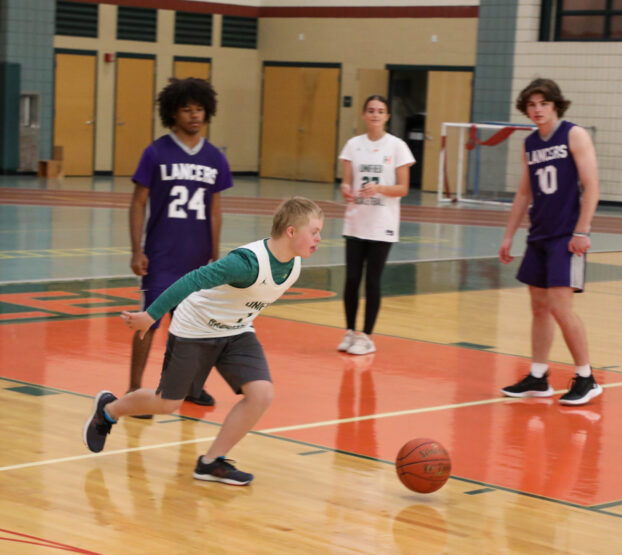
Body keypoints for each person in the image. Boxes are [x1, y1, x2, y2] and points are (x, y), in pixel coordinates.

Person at [84, 197, 324, 486]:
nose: (319, 239)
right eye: (315, 231)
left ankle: (211, 462)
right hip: (195, 329)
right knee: (167, 404)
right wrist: (151, 315)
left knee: (261, 395)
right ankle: (108, 411)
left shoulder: (293, 265)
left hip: (237, 331)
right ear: (291, 231)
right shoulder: (245, 264)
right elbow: (191, 281)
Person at [127, 77, 233, 412]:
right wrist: (136, 249)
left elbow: (215, 210)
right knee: (149, 323)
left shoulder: (215, 157)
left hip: (198, 259)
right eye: (186, 110)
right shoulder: (156, 152)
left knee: (197, 328)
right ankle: (133, 390)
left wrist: (216, 255)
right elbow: (137, 203)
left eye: (199, 109)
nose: (194, 115)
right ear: (173, 114)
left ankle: (191, 386)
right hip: (161, 256)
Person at [498, 78, 602, 406]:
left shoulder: (574, 134)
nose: (536, 110)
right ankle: (538, 376)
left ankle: (587, 378)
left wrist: (582, 231)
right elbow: (524, 192)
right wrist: (509, 234)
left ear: (555, 104)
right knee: (539, 308)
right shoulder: (530, 143)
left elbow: (593, 185)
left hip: (566, 236)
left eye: (542, 103)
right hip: (539, 235)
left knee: (560, 307)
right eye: (531, 105)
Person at [336, 95, 415, 356]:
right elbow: (346, 182)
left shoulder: (397, 147)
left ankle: (367, 336)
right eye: (370, 110)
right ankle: (349, 332)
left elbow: (403, 188)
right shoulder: (353, 145)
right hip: (356, 221)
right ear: (363, 114)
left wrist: (379, 188)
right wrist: (346, 189)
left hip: (382, 224)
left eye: (380, 111)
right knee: (351, 279)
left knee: (372, 281)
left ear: (387, 116)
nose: (375, 115)